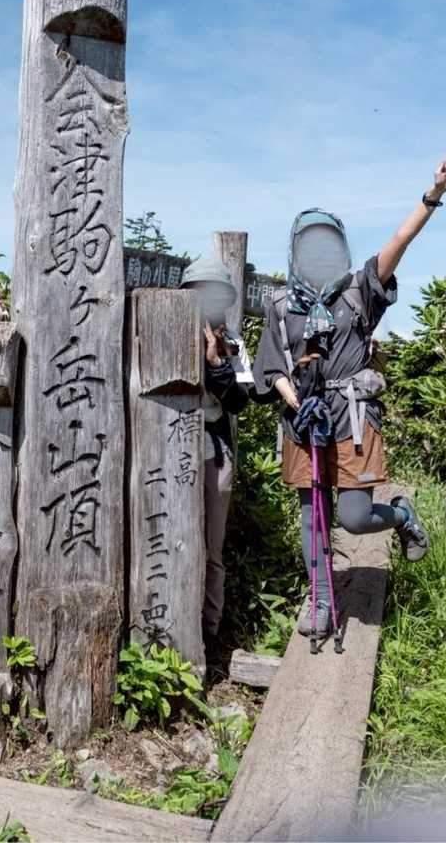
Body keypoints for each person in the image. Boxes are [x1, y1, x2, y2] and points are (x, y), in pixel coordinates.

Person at [255, 149, 446, 639]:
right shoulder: (281, 303)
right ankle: (321, 600)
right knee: (313, 515)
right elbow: (272, 363)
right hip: (303, 420)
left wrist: (432, 195)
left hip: (351, 418)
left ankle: (401, 514)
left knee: (353, 517)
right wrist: (293, 399)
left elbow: (398, 241)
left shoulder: (359, 290)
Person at [179, 254, 252, 658]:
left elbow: (243, 398)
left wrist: (217, 363)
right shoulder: (168, 329)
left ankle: (209, 632)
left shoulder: (234, 343)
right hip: (170, 448)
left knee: (211, 546)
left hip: (213, 450)